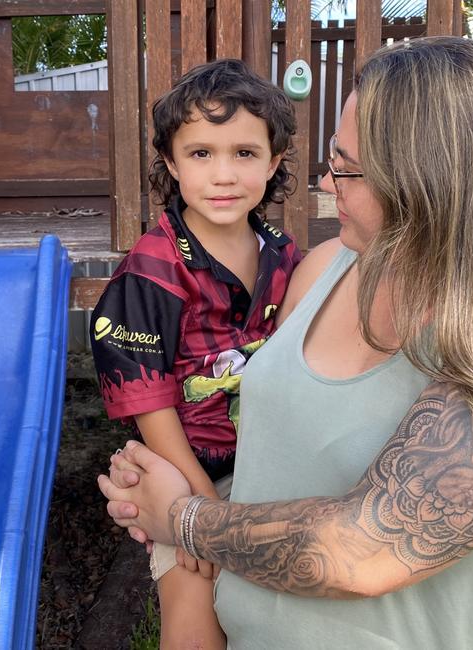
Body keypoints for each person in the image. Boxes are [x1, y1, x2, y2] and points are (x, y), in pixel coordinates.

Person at [99, 38, 473, 649]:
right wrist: (157, 485)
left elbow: (364, 549)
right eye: (331, 159)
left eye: (347, 169)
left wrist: (183, 518)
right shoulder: (325, 266)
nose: (326, 184)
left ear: (435, 179)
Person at [90, 58, 301, 649]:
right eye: (202, 154)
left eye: (245, 153)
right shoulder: (152, 271)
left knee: (274, 610)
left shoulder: (284, 257)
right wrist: (202, 512)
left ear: (275, 161)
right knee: (194, 608)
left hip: (270, 462)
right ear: (172, 164)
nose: (224, 175)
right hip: (188, 471)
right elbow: (149, 402)